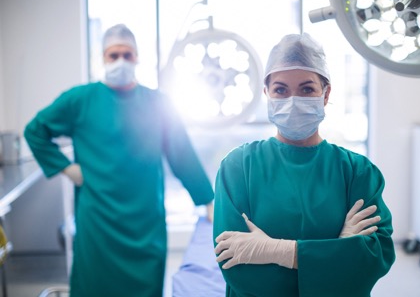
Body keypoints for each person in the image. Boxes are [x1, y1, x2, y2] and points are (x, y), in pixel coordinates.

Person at [24, 24, 214, 297]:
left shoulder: (157, 103)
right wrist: (66, 167)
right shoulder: (81, 100)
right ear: (103, 58)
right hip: (98, 222)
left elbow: (182, 154)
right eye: (113, 55)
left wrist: (207, 201)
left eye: (127, 54)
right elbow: (35, 131)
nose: (121, 61)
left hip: (145, 224)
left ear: (137, 57)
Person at [213, 33, 395, 297]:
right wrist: (337, 255)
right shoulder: (238, 168)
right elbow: (235, 264)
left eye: (307, 89)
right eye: (281, 90)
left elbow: (376, 256)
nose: (293, 100)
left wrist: (282, 252)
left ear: (326, 93)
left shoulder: (357, 172)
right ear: (267, 94)